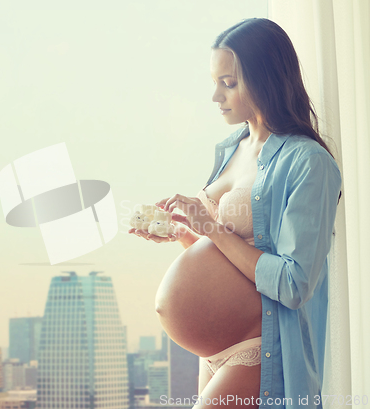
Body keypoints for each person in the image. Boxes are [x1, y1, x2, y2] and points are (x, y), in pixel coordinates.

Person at [129, 18, 342, 409]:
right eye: (215, 82)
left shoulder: (308, 163)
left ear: (267, 80)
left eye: (228, 83)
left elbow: (295, 284)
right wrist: (182, 233)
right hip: (213, 353)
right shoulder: (231, 149)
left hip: (261, 345)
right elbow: (228, 257)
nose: (216, 96)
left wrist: (210, 226)